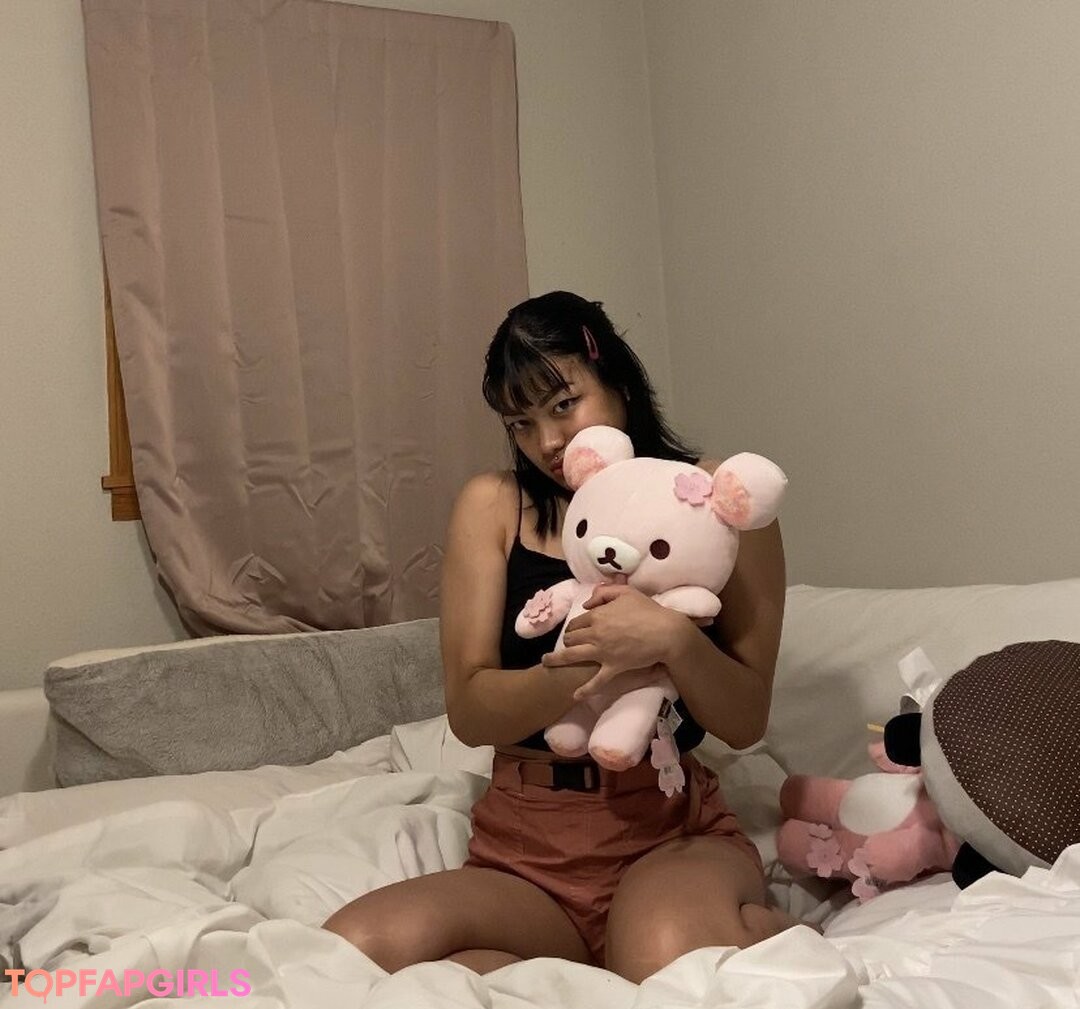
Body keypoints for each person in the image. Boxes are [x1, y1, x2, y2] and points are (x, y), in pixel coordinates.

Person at [324, 291, 800, 982]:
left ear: (619, 383)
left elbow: (746, 717)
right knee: (351, 949)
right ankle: (587, 963)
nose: (546, 441)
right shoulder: (495, 505)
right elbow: (471, 710)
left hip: (666, 830)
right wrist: (594, 657)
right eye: (520, 422)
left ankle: (727, 936)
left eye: (564, 405)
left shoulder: (713, 502)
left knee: (665, 959)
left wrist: (672, 641)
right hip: (525, 846)